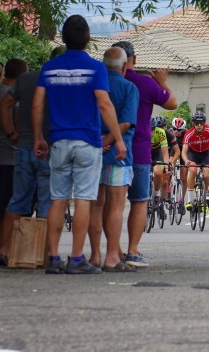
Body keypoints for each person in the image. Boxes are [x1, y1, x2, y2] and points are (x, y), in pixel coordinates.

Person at [33, 15, 126, 274]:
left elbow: (38, 103)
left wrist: (40, 136)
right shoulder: (96, 69)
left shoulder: (49, 68)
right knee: (84, 200)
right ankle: (75, 258)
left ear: (62, 39)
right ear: (88, 39)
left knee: (57, 199)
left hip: (59, 142)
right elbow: (104, 104)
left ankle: (52, 257)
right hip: (87, 143)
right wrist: (118, 139)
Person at [0, 48, 65, 266]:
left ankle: (3, 251)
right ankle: (44, 256)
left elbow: (4, 104)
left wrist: (10, 133)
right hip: (51, 148)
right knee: (47, 204)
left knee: (17, 200)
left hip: (24, 147)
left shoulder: (25, 79)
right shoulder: (63, 82)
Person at [112, 40, 177, 268]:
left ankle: (114, 251)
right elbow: (172, 104)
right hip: (139, 150)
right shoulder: (145, 83)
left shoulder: (105, 82)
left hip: (110, 150)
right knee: (139, 201)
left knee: (113, 204)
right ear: (134, 59)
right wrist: (162, 83)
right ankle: (133, 250)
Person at [87, 47, 139, 272]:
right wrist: (110, 140)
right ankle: (111, 257)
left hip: (92, 150)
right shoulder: (129, 87)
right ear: (125, 65)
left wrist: (100, 142)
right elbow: (126, 122)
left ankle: (94, 255)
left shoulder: (92, 85)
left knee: (94, 205)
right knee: (116, 206)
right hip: (119, 153)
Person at [0, 59, 27, 266]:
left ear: (3, 75)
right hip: (9, 160)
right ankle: (4, 248)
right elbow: (18, 131)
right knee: (7, 208)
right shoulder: (15, 99)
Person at [182, 111, 209, 211]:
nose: (199, 125)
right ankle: (190, 200)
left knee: (206, 175)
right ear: (193, 123)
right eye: (196, 123)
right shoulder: (188, 133)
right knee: (193, 171)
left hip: (204, 154)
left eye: (201, 123)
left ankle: (203, 198)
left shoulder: (208, 130)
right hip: (192, 154)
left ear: (204, 123)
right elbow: (184, 151)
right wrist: (186, 160)